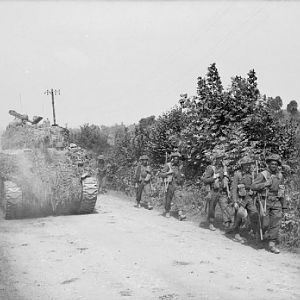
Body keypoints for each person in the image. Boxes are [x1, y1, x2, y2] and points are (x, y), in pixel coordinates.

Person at [251, 154, 287, 254]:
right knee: (265, 223)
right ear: (268, 164)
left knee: (276, 223)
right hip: (264, 201)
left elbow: (282, 191)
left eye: (276, 164)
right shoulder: (263, 174)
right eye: (272, 164)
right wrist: (265, 184)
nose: (274, 166)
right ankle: (259, 235)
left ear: (278, 165)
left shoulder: (280, 176)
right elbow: (253, 186)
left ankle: (272, 244)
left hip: (276, 201)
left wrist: (284, 206)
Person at [230, 156, 259, 243]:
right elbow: (234, 188)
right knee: (238, 216)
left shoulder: (253, 175)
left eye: (248, 165)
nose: (247, 166)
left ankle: (255, 234)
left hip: (249, 198)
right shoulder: (237, 174)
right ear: (242, 165)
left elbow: (255, 186)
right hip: (240, 199)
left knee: (254, 214)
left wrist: (253, 190)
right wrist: (234, 201)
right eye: (245, 165)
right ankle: (236, 234)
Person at [202, 152, 233, 231]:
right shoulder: (211, 168)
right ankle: (211, 223)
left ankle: (227, 225)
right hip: (213, 191)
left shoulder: (224, 168)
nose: (220, 160)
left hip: (222, 191)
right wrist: (215, 177)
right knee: (212, 208)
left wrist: (226, 177)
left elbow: (228, 178)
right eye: (219, 158)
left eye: (221, 158)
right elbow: (205, 180)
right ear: (215, 159)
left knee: (225, 207)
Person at [160, 152, 186, 220]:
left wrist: (182, 176)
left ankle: (180, 214)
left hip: (177, 185)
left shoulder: (180, 166)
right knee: (168, 199)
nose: (176, 160)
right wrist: (168, 173)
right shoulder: (168, 165)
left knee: (179, 198)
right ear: (172, 159)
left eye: (177, 159)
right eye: (175, 159)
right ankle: (167, 211)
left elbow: (182, 175)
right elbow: (161, 174)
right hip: (170, 184)